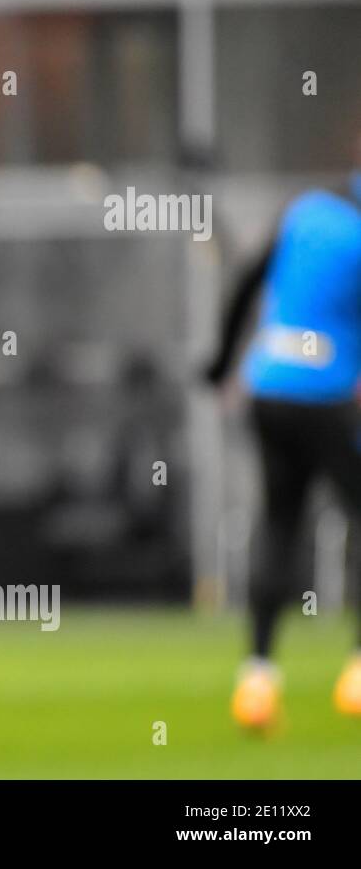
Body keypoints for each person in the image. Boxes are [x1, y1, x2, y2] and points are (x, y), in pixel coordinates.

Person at [206, 158, 361, 731]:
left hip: (268, 387)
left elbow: (245, 283)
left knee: (279, 523)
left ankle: (257, 677)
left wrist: (220, 366)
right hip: (330, 396)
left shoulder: (303, 211)